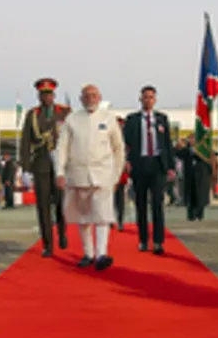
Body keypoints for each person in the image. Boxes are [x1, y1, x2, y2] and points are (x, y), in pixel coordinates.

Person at [55, 84, 125, 269]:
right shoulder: (72, 119)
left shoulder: (109, 119)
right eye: (87, 96)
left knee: (102, 216)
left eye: (94, 95)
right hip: (78, 174)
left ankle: (102, 254)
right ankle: (88, 253)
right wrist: (59, 172)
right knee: (83, 217)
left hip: (103, 175)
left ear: (100, 97)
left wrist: (116, 175)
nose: (91, 99)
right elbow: (62, 147)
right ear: (81, 98)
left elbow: (118, 149)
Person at [123, 85, 176, 254]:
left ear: (155, 99)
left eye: (151, 97)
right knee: (140, 204)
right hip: (140, 164)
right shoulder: (132, 120)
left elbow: (168, 144)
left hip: (157, 165)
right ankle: (143, 240)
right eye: (145, 97)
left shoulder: (161, 119)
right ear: (141, 99)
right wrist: (126, 161)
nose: (148, 100)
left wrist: (170, 166)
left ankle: (158, 241)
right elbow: (125, 144)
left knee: (157, 204)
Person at [19, 78, 68, 257]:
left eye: (49, 94)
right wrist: (24, 168)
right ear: (39, 96)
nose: (46, 97)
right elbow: (25, 142)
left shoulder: (63, 113)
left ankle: (62, 232)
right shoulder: (32, 115)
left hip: (60, 164)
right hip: (40, 163)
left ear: (53, 95)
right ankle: (48, 244)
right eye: (43, 94)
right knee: (43, 206)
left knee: (62, 203)